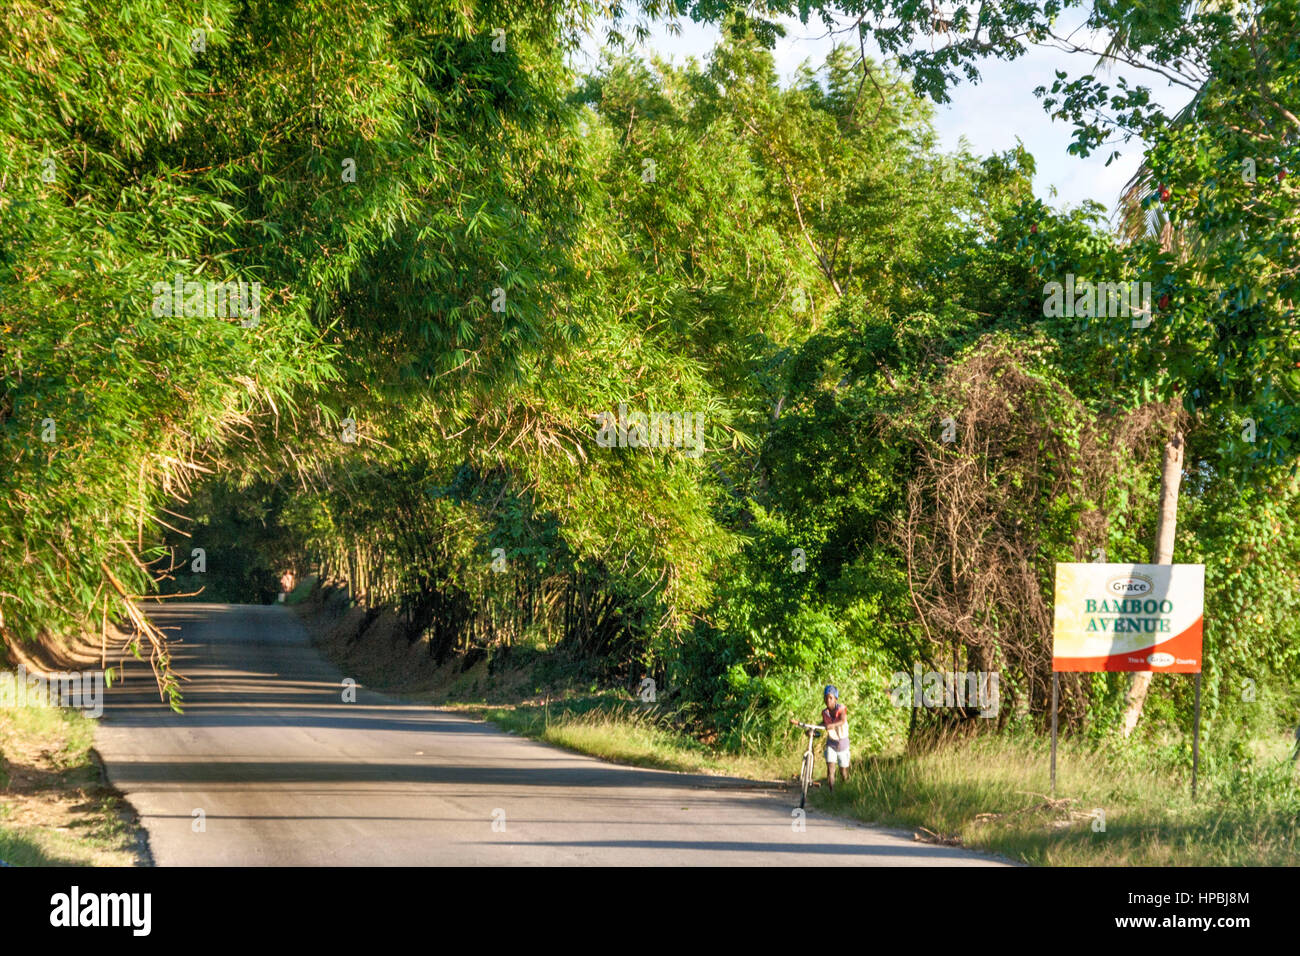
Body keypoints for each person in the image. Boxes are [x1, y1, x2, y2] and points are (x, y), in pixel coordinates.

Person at [820, 685, 849, 790]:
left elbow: (842, 720)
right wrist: (813, 729)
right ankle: (831, 792)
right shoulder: (825, 712)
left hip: (843, 744)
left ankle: (845, 789)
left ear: (836, 699)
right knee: (830, 768)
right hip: (831, 743)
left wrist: (832, 725)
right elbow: (824, 723)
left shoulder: (841, 709)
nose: (828, 700)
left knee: (843, 771)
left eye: (831, 698)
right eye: (826, 697)